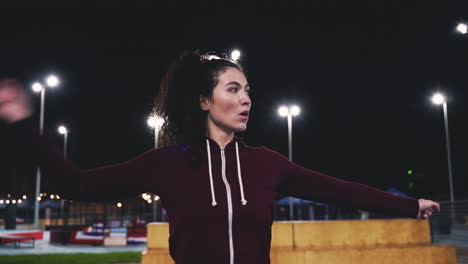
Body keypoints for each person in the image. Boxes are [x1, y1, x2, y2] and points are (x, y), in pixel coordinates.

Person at [0, 51, 440, 264]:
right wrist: (22, 121)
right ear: (204, 101)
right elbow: (77, 185)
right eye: (234, 89)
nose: (247, 99)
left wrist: (408, 205)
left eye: (248, 90)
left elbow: (338, 189)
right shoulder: (167, 163)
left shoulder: (268, 164)